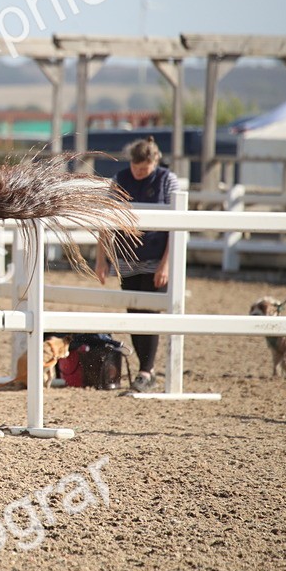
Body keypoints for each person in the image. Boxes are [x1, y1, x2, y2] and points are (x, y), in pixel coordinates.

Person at [95, 136, 180, 392]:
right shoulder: (120, 180)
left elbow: (177, 226)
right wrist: (102, 259)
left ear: (155, 162)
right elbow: (106, 219)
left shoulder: (167, 180)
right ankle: (146, 369)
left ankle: (147, 369)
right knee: (134, 311)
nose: (140, 173)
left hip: (156, 255)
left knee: (150, 310)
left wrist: (166, 264)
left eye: (145, 169)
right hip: (127, 256)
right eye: (136, 168)